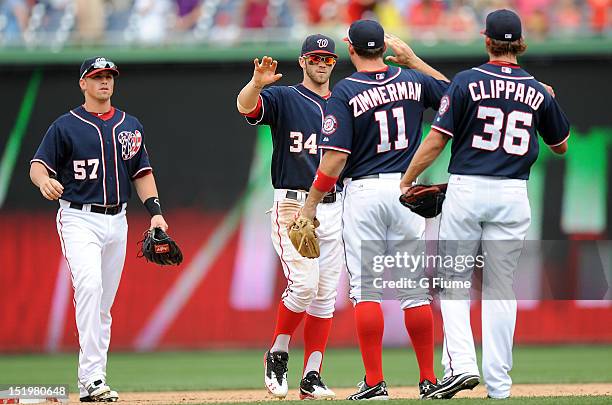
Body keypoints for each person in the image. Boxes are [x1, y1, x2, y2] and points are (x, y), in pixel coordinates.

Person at [399, 9, 570, 399]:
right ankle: (500, 384)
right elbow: (560, 145)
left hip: (469, 189)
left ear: (486, 39)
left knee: (453, 281)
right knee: (500, 288)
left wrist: (407, 179)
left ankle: (461, 365)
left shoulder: (466, 82)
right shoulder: (537, 90)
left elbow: (437, 139)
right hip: (513, 193)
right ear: (520, 43)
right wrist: (538, 100)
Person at [299, 20, 458, 400]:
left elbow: (335, 159)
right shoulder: (412, 80)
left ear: (351, 50)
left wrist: (310, 206)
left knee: (365, 289)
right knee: (414, 291)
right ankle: (427, 380)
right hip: (406, 190)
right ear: (382, 48)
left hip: (365, 193)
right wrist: (414, 60)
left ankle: (374, 382)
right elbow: (457, 98)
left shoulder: (345, 91)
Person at [30, 57, 169, 402]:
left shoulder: (129, 125)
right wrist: (44, 181)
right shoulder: (66, 126)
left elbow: (142, 173)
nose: (104, 82)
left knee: (103, 305)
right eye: (97, 77)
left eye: (109, 76)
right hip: (78, 218)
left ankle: (95, 380)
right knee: (89, 287)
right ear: (83, 83)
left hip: (117, 220)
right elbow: (37, 165)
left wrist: (155, 213)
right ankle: (91, 378)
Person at [236, 35, 344, 400]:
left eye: (327, 58)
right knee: (304, 286)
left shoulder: (344, 103)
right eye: (315, 57)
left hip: (335, 205)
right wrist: (256, 84)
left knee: (326, 296)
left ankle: (312, 376)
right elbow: (245, 108)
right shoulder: (284, 98)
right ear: (302, 61)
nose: (322, 63)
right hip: (293, 205)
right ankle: (278, 352)